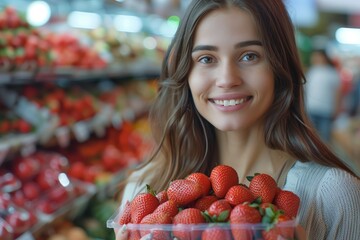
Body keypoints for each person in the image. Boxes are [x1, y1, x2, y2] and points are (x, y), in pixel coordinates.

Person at [115, 0, 360, 239]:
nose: (227, 78)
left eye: (249, 56)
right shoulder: (144, 189)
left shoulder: (334, 196)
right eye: (206, 59)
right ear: (185, 73)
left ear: (280, 66)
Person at [305, 49, 342, 143]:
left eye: (317, 56)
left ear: (324, 57)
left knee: (325, 139)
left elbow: (337, 92)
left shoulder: (332, 73)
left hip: (326, 110)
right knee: (310, 138)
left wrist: (336, 108)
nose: (314, 58)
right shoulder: (312, 71)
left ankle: (323, 157)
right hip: (311, 108)